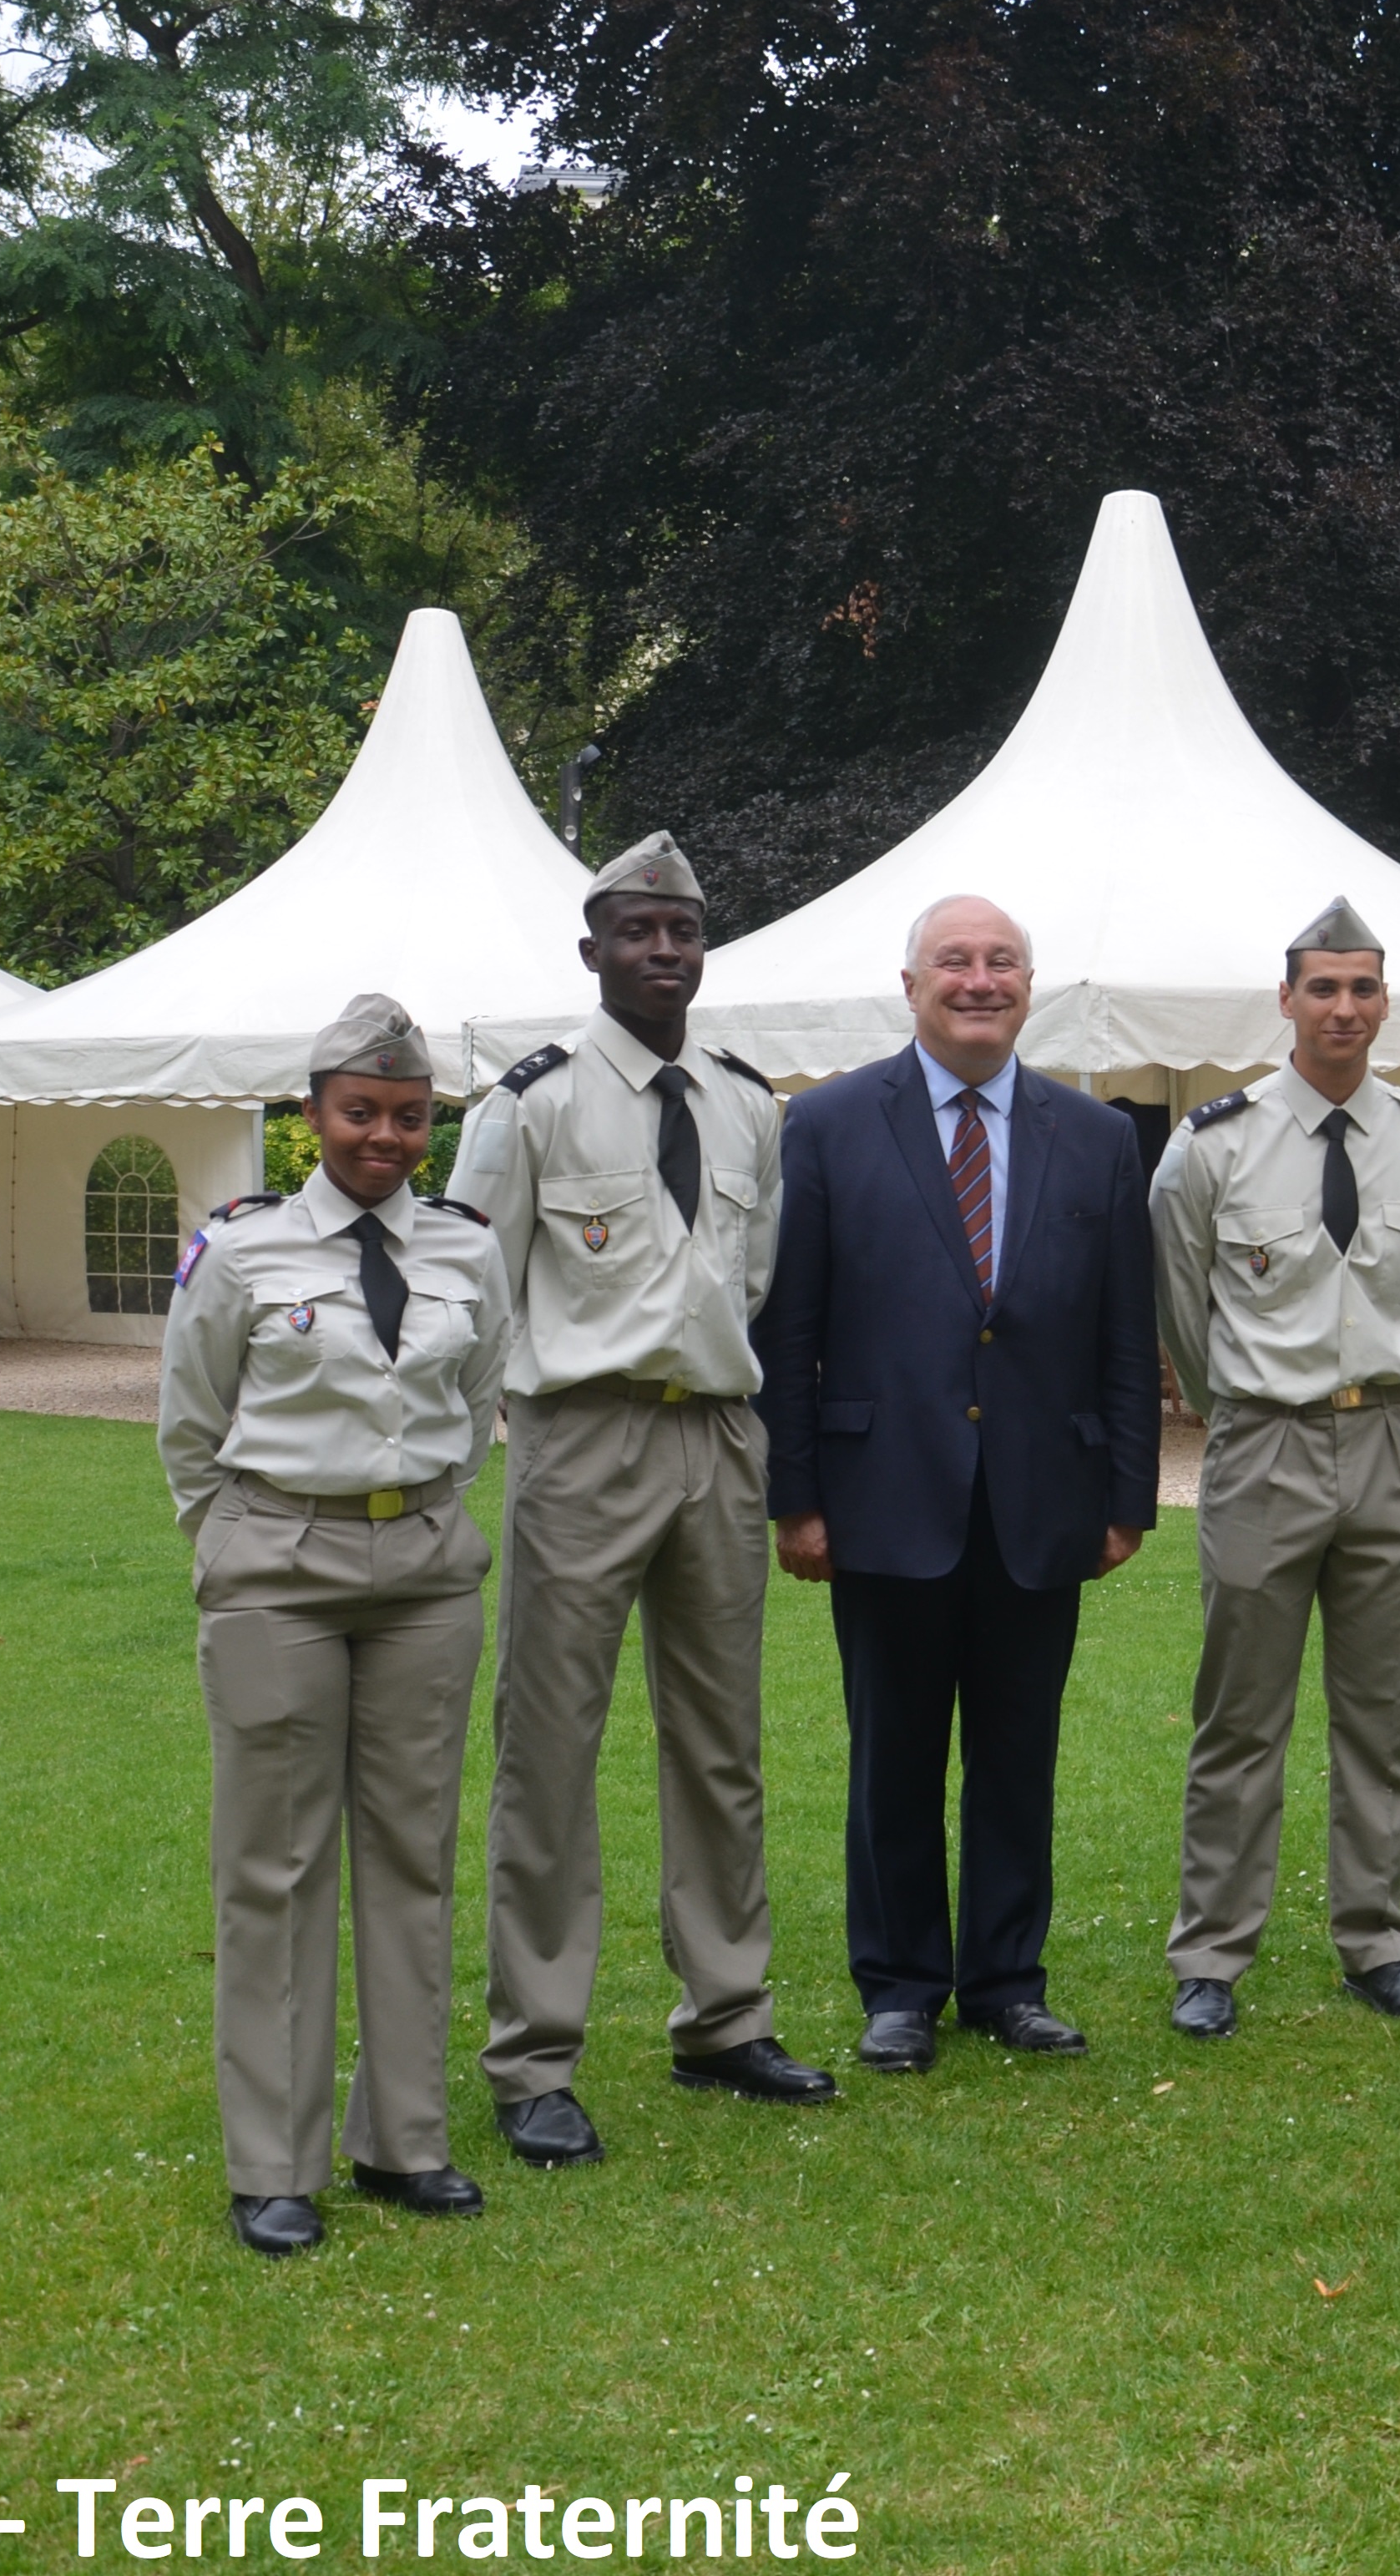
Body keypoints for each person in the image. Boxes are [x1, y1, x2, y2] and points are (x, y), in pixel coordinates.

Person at [447, 832, 828, 2166]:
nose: (664, 950)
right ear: (592, 949)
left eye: (684, 929)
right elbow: (468, 1290)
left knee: (720, 1745)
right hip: (584, 1444)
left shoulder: (744, 1102)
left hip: (717, 1439)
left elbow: (757, 1273)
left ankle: (726, 2015)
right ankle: (535, 2056)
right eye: (638, 930)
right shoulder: (531, 1104)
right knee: (550, 1748)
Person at [756, 895, 1161, 2075]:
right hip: (883, 1492)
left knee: (1017, 1752)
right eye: (956, 962)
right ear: (910, 982)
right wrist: (797, 1495)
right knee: (892, 1754)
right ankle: (898, 1988)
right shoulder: (828, 1126)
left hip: (1044, 1495)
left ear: (1030, 985)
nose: (979, 980)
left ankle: (1004, 1981)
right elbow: (794, 1330)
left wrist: (1127, 1494)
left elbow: (1125, 1335)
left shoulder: (1096, 1138)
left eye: (1002, 963)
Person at [156, 994, 511, 2255]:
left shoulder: (466, 1248)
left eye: (410, 1117)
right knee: (278, 1863)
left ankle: (405, 2141)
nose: (386, 1137)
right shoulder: (242, 1251)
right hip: (278, 1566)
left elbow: (476, 1408)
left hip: (422, 1564)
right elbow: (191, 1427)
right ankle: (275, 2163)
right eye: (360, 1112)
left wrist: (412, 1512)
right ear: (311, 1117)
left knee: (414, 1851)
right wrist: (238, 1546)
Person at [1150, 898, 1400, 2038]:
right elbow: (1183, 1308)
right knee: (1240, 1715)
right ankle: (1212, 1953)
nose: (1345, 1008)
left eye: (1364, 988)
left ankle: (1378, 1941)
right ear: (1285, 999)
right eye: (1324, 988)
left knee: (1381, 1716)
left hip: (1389, 1438)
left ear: (1386, 1003)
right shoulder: (1214, 1144)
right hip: (1265, 1442)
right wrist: (1238, 1402)